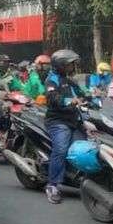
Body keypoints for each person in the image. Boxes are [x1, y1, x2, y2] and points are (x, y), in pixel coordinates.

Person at [43, 49, 89, 204]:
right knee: (61, 150)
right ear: (61, 65)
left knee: (85, 148)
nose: (72, 67)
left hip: (73, 120)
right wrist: (70, 101)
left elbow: (82, 93)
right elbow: (52, 98)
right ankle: (53, 185)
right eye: (70, 64)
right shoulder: (52, 79)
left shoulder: (69, 80)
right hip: (58, 122)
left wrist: (93, 96)